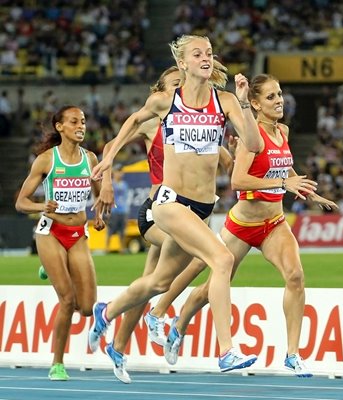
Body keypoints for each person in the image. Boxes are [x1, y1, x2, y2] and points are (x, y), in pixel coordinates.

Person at [88, 34, 262, 373]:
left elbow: (253, 144)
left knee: (159, 282)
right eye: (197, 54)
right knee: (222, 259)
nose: (205, 58)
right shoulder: (166, 101)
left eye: (209, 52)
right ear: (183, 63)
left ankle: (105, 312)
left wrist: (243, 103)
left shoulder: (224, 100)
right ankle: (227, 350)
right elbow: (133, 121)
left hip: (201, 206)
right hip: (169, 202)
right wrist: (109, 159)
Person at [147, 74, 336, 377]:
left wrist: (309, 192)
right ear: (256, 104)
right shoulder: (252, 137)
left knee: (296, 276)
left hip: (274, 223)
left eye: (280, 94)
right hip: (242, 224)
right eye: (272, 97)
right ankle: (179, 325)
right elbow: (238, 181)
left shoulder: (283, 131)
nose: (279, 100)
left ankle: (292, 354)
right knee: (210, 286)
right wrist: (283, 182)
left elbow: (285, 168)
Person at [97, 66, 234, 383]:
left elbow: (227, 159)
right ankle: (158, 315)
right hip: (158, 208)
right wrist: (105, 183)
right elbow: (109, 147)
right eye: (176, 84)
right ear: (160, 90)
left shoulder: (198, 122)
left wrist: (236, 155)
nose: (183, 88)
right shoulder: (152, 120)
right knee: (206, 256)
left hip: (191, 209)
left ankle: (118, 344)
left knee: (151, 282)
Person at [14, 106, 108, 380]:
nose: (81, 126)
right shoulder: (46, 160)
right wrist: (42, 205)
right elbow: (21, 203)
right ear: (60, 127)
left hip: (78, 232)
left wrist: (99, 215)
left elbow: (99, 194)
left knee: (88, 307)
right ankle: (57, 364)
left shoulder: (90, 159)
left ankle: (49, 269)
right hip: (51, 232)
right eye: (74, 121)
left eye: (83, 122)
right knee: (67, 300)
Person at [104, 167, 130, 253]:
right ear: (114, 173)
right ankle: (107, 248)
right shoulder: (111, 184)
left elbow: (126, 199)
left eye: (121, 172)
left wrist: (127, 211)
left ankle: (122, 248)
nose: (119, 174)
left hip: (123, 211)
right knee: (110, 230)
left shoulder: (125, 185)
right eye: (118, 172)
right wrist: (107, 211)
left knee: (122, 231)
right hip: (114, 211)